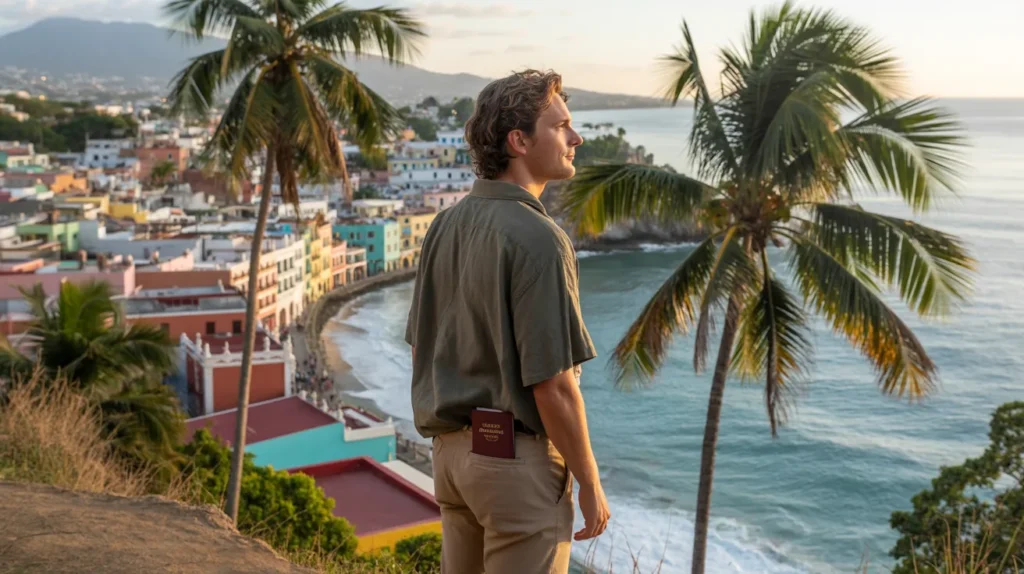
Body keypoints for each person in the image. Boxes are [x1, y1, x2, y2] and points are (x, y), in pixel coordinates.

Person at [405, 69, 610, 574]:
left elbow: (421, 346)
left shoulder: (445, 224)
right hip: (514, 466)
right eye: (560, 126)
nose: (576, 138)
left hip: (452, 458)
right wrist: (589, 481)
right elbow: (553, 385)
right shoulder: (539, 238)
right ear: (519, 141)